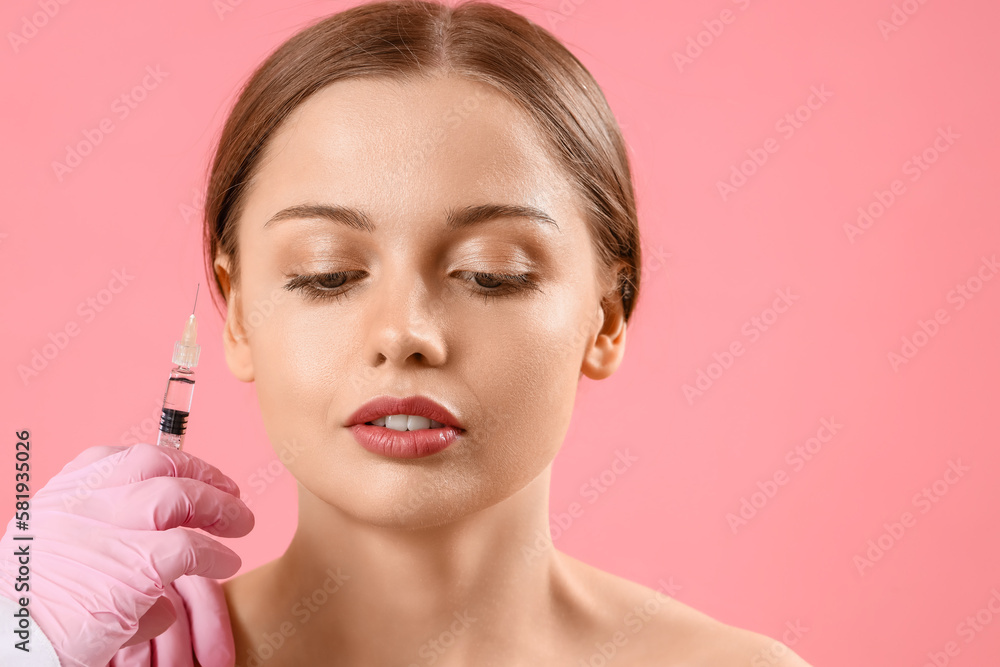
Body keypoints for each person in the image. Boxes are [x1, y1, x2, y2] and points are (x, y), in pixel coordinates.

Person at [1, 1, 813, 665]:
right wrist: (19, 644)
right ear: (237, 309)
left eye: (492, 272)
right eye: (327, 272)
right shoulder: (102, 656)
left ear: (607, 313)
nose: (405, 334)